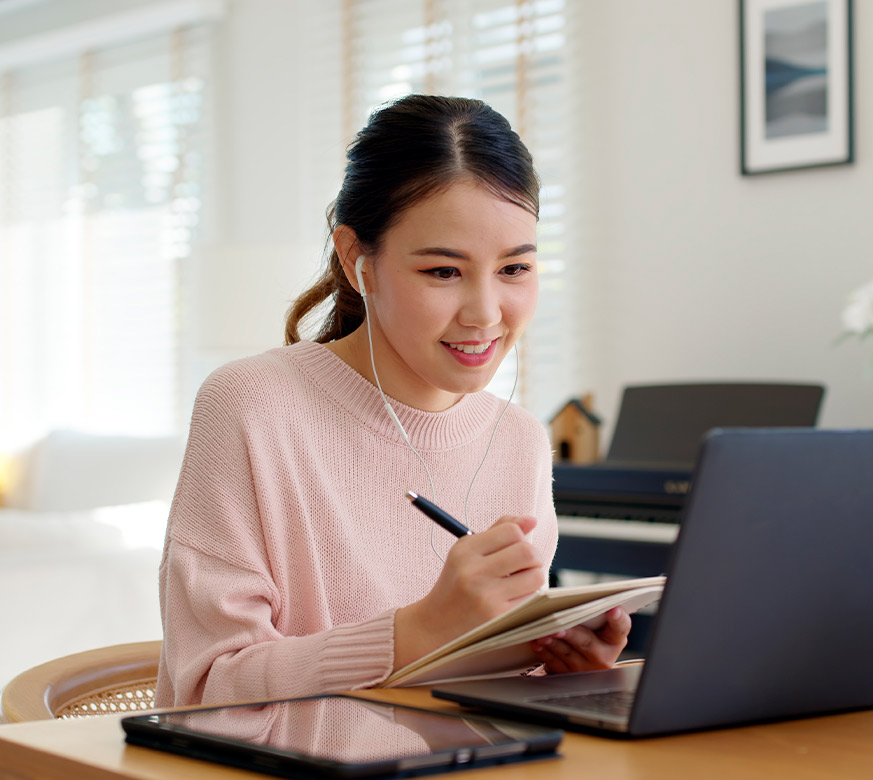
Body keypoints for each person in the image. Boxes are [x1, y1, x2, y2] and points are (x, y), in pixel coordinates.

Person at [155, 95, 630, 707]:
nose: (486, 314)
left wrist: (557, 671)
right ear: (358, 261)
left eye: (514, 269)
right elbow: (205, 687)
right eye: (442, 272)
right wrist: (420, 631)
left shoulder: (518, 439)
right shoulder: (253, 405)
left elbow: (471, 699)